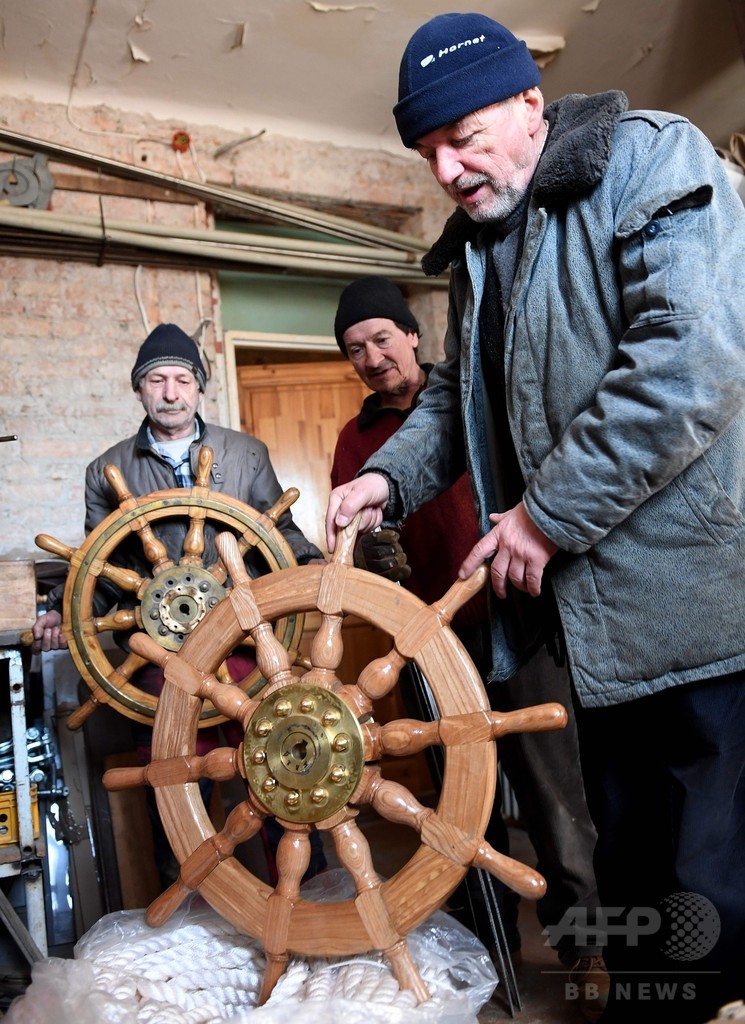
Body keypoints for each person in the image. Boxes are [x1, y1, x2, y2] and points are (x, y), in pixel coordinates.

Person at [326, 14, 745, 1024]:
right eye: (427, 152)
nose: (446, 170)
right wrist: (385, 481)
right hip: (590, 637)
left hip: (697, 614)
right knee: (636, 876)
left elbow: (687, 361)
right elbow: (454, 399)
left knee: (710, 892)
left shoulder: (650, 160)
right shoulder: (481, 245)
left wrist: (544, 516)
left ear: (529, 103)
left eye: (462, 137)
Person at [331, 275, 608, 1020]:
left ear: (412, 334)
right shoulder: (355, 441)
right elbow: (349, 546)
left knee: (555, 793)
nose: (372, 357)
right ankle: (490, 949)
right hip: (429, 645)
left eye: (382, 338)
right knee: (461, 807)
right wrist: (369, 559)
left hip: (515, 619)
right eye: (355, 349)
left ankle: (587, 945)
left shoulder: (473, 400)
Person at [32, 322, 328, 882]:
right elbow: (100, 567)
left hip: (245, 641)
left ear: (199, 387)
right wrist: (56, 607)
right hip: (159, 657)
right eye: (157, 380)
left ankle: (307, 894)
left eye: (182, 380)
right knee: (173, 783)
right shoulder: (105, 470)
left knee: (283, 764)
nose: (171, 393)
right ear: (138, 389)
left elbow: (278, 531)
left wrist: (311, 561)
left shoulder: (246, 454)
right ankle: (188, 906)